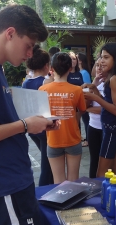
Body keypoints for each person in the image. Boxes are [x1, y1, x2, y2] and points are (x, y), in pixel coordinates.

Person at [0, 4, 59, 225]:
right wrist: (25, 125)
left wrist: (37, 123)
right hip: (2, 188)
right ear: (10, 33)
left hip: (12, 182)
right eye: (29, 45)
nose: (30, 54)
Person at [83, 42, 116, 177]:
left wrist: (95, 98)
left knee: (101, 173)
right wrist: (93, 88)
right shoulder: (111, 77)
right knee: (115, 170)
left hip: (112, 130)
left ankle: (102, 197)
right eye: (101, 57)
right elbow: (107, 101)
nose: (101, 61)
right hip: (112, 128)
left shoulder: (115, 79)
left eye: (106, 57)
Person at [39, 52, 86, 183]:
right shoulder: (77, 90)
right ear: (70, 68)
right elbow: (82, 110)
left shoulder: (42, 89)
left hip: (53, 140)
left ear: (51, 69)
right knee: (73, 180)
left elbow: (41, 115)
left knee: (58, 181)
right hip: (73, 138)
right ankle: (75, 204)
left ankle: (61, 204)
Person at [22, 44, 54, 186]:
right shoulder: (46, 82)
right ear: (47, 65)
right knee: (48, 166)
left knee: (47, 161)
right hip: (45, 128)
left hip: (32, 128)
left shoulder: (26, 82)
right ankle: (43, 194)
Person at [87, 58, 106, 178]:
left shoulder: (110, 83)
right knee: (94, 160)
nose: (99, 67)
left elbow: (106, 108)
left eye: (102, 65)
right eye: (97, 65)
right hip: (92, 126)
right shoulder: (95, 82)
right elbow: (86, 104)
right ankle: (93, 186)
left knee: (105, 161)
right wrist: (94, 84)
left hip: (105, 127)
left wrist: (89, 109)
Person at [77, 52, 92, 147]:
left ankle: (88, 140)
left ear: (80, 61)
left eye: (76, 58)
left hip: (85, 100)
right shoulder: (79, 72)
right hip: (80, 100)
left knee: (86, 121)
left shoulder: (84, 73)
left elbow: (87, 88)